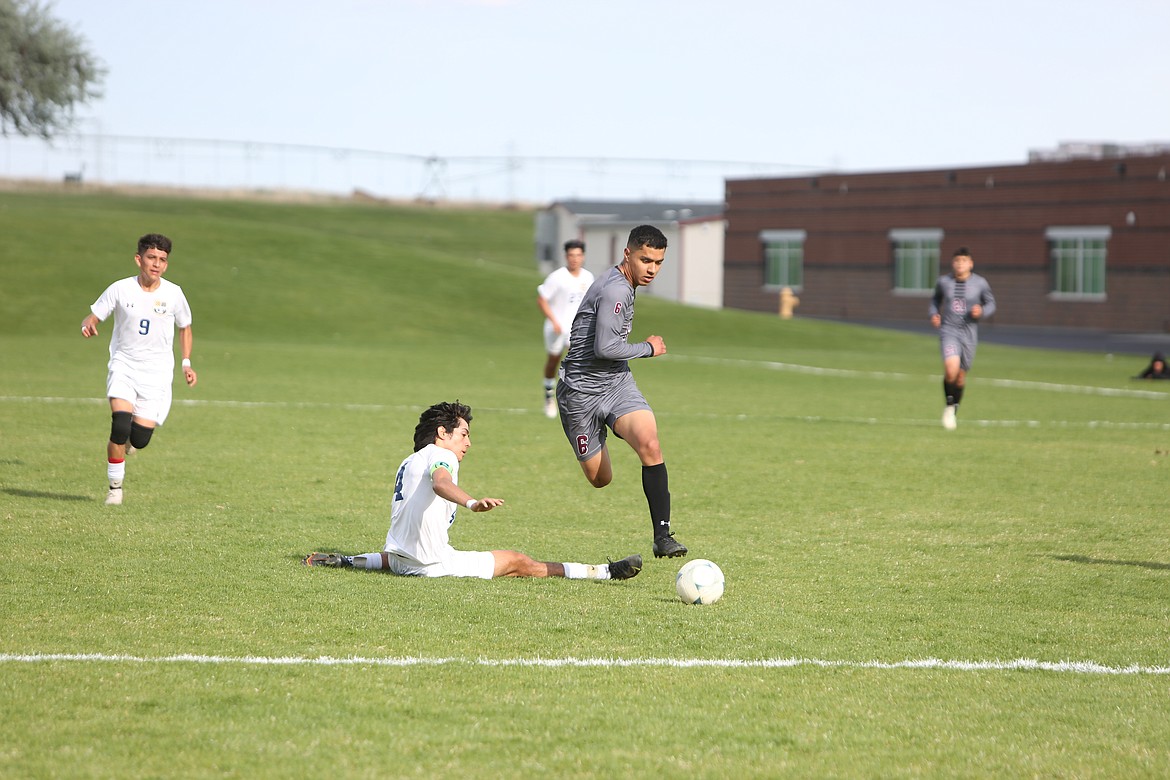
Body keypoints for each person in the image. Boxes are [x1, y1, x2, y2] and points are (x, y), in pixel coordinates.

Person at [304, 401, 642, 581]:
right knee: (517, 561)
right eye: (463, 433)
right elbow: (441, 483)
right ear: (443, 433)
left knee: (402, 559)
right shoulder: (441, 456)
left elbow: (400, 553)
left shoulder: (409, 461)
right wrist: (470, 502)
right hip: (432, 565)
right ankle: (603, 572)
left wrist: (351, 560)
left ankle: (348, 561)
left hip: (403, 560)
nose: (468, 442)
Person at [556, 224, 687, 559]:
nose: (652, 269)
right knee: (601, 479)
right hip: (580, 391)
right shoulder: (615, 289)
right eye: (646, 260)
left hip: (615, 383)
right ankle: (599, 428)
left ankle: (663, 536)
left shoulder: (628, 283)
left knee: (650, 443)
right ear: (627, 254)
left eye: (658, 263)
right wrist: (648, 348)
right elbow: (605, 347)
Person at [81, 233, 197, 505]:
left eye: (162, 260)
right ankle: (115, 487)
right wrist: (89, 323)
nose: (156, 264)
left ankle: (132, 445)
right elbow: (94, 315)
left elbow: (185, 327)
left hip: (156, 374)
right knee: (120, 424)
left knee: (140, 439)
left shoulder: (174, 293)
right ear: (138, 259)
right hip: (124, 365)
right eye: (151, 257)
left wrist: (186, 363)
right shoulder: (120, 289)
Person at [929, 246, 996, 430]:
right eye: (957, 261)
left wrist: (982, 311)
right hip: (949, 331)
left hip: (969, 333)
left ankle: (955, 407)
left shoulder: (980, 283)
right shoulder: (944, 282)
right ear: (953, 263)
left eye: (964, 261)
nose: (960, 264)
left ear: (970, 264)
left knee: (960, 377)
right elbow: (935, 300)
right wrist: (934, 313)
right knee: (951, 370)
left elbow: (991, 303)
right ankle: (949, 407)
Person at [537, 239, 595, 418]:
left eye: (578, 255)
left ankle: (574, 399)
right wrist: (554, 321)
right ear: (566, 256)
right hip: (556, 329)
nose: (574, 259)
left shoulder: (588, 277)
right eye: (571, 255)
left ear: (583, 257)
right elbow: (542, 299)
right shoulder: (557, 277)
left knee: (575, 362)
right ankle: (548, 395)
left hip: (576, 329)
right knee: (554, 360)